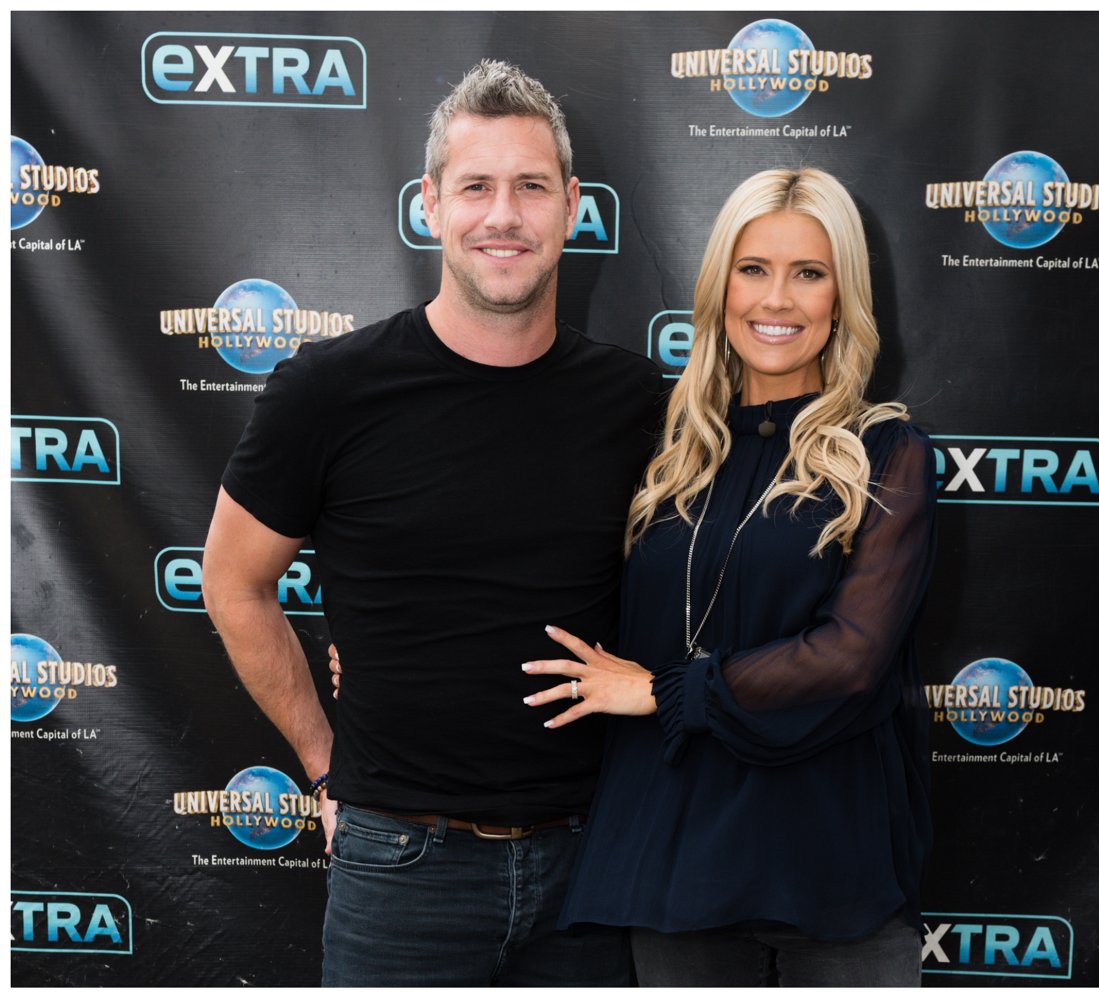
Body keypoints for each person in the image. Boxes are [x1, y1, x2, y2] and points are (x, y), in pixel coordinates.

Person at [202, 60, 661, 987]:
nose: (504, 215)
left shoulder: (636, 401)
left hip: (595, 870)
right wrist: (323, 764)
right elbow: (232, 580)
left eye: (531, 187)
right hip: (400, 871)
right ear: (430, 204)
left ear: (572, 206)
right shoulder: (328, 391)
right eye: (476, 187)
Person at [519, 167, 937, 986]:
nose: (777, 300)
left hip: (834, 874)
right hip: (679, 875)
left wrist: (668, 692)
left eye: (809, 273)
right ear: (719, 288)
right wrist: (384, 650)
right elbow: (535, 573)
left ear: (843, 297)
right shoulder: (662, 453)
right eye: (754, 269)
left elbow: (852, 659)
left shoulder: (888, 453)